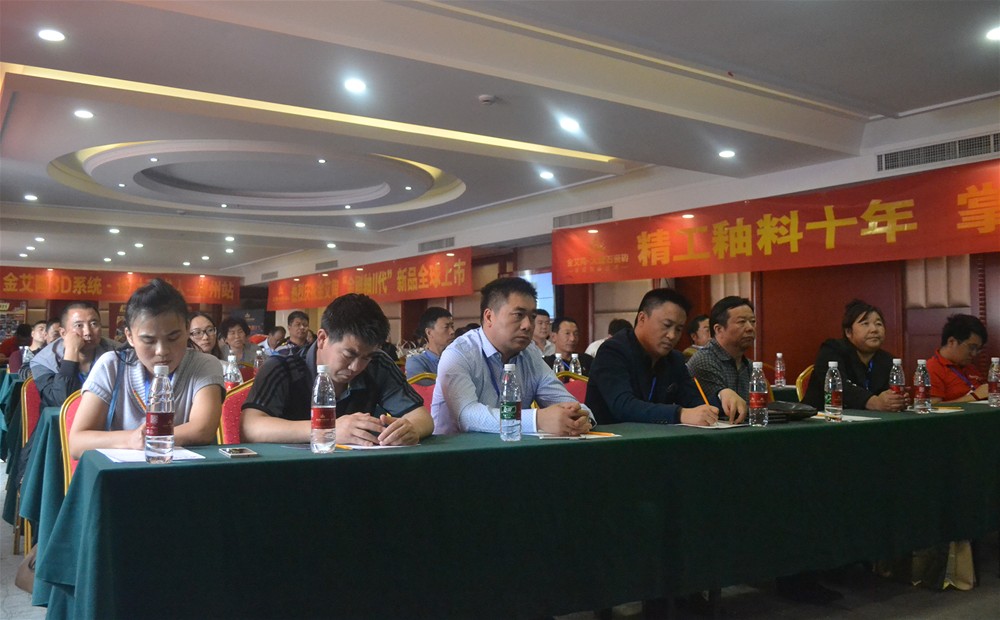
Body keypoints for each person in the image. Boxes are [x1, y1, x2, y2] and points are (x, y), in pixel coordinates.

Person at [242, 294, 433, 446]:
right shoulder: (282, 366)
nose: (356, 367)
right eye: (349, 354)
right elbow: (250, 427)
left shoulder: (377, 363)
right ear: (322, 339)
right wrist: (326, 429)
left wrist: (408, 430)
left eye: (366, 357)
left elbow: (422, 417)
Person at [68, 279, 224, 459]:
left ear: (187, 328)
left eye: (173, 337)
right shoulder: (111, 366)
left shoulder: (203, 365)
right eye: (149, 340)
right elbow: (77, 443)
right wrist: (131, 439)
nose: (162, 351)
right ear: (129, 336)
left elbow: (202, 430)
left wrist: (149, 438)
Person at [432, 277, 593, 436]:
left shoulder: (530, 354)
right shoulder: (459, 354)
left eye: (532, 317)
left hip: (513, 447)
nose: (528, 325)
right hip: (458, 449)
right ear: (489, 317)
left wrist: (579, 417)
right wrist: (537, 420)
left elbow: (567, 403)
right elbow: (467, 416)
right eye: (518, 315)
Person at [586, 288, 725, 426]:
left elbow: (695, 404)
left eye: (678, 329)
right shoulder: (612, 351)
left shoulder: (674, 359)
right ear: (642, 318)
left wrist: (722, 398)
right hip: (611, 437)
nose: (672, 335)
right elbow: (623, 406)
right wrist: (679, 414)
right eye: (666, 325)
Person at [802, 299, 906, 412]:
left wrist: (895, 401)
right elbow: (840, 387)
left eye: (878, 324)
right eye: (865, 324)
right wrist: (874, 402)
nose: (874, 330)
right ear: (848, 332)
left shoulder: (887, 360)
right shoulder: (832, 350)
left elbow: (887, 394)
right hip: (823, 417)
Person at [30, 302, 119, 409]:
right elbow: (61, 402)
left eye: (94, 324)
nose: (87, 332)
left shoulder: (117, 352)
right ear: (63, 333)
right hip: (60, 419)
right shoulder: (43, 361)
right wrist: (71, 351)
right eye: (79, 325)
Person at [687, 297, 756, 423]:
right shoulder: (704, 361)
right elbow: (725, 411)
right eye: (741, 322)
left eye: (753, 321)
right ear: (718, 329)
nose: (750, 328)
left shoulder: (750, 365)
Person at [926, 314, 989, 403]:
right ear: (951, 342)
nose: (974, 354)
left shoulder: (969, 367)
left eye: (978, 349)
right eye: (971, 347)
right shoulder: (932, 368)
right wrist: (974, 396)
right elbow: (932, 407)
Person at [406, 307, 455, 381]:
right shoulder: (416, 362)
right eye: (446, 327)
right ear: (429, 333)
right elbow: (423, 387)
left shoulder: (458, 358)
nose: (452, 331)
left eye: (452, 326)